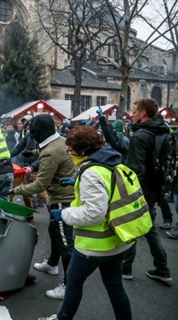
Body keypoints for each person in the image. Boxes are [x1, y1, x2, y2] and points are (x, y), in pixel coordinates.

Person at [38, 126, 132, 320]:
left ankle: (63, 318)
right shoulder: (113, 163)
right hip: (118, 239)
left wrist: (63, 214)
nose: (69, 153)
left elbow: (94, 214)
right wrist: (76, 183)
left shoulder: (91, 172)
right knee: (115, 287)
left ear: (82, 151)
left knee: (73, 282)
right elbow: (111, 190)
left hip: (94, 245)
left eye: (71, 150)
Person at [11, 114, 75, 300]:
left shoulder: (50, 152)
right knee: (55, 231)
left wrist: (16, 190)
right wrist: (32, 154)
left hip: (63, 199)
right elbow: (49, 151)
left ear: (40, 133)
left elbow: (39, 185)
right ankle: (52, 264)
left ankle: (68, 286)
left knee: (65, 242)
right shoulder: (60, 141)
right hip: (60, 197)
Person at [122, 98, 172, 282]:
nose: (132, 115)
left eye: (134, 111)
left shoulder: (141, 136)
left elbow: (135, 170)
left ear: (143, 113)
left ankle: (126, 268)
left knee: (132, 229)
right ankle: (162, 269)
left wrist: (130, 194)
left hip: (141, 191)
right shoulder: (164, 132)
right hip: (156, 188)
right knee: (149, 229)